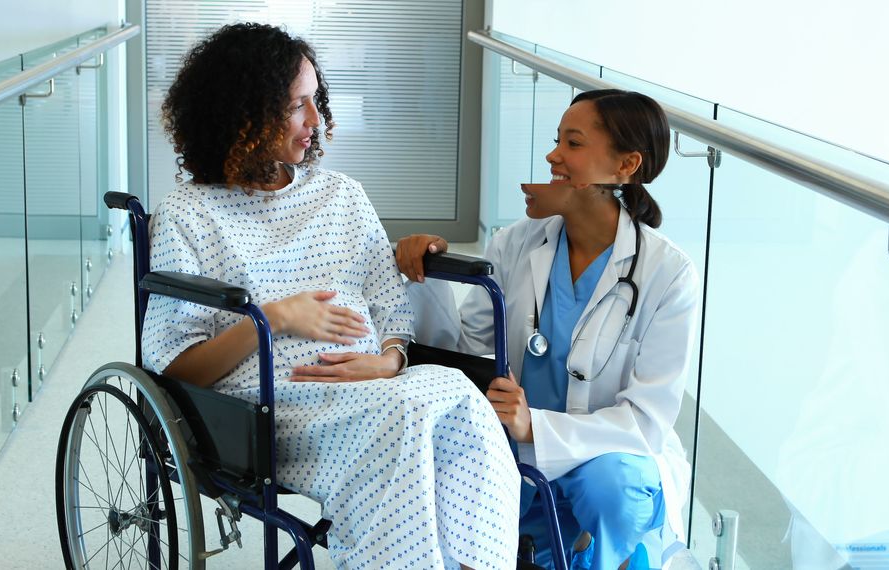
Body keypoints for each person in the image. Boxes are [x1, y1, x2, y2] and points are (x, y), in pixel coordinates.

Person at [141, 23, 519, 570]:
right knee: (405, 420)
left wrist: (389, 361)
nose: (315, 120)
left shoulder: (342, 194)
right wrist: (270, 319)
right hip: (273, 406)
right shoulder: (188, 215)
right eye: (297, 105)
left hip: (375, 385)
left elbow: (390, 303)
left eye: (315, 100)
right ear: (246, 113)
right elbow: (176, 367)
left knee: (461, 399)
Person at [397, 89, 699, 570]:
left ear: (626, 165)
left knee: (611, 490)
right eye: (557, 140)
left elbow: (646, 420)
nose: (552, 155)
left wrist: (534, 424)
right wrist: (428, 274)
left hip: (605, 458)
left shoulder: (667, 272)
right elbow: (472, 355)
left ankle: (622, 555)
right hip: (510, 444)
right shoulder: (514, 242)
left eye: (573, 144)